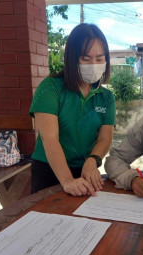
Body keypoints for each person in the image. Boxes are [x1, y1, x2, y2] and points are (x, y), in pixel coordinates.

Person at [29, 23, 116, 196]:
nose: (93, 64)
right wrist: (68, 181)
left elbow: (105, 138)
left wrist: (93, 160)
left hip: (85, 170)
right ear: (72, 58)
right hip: (50, 171)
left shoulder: (106, 97)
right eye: (85, 58)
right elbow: (49, 139)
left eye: (99, 59)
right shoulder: (50, 88)